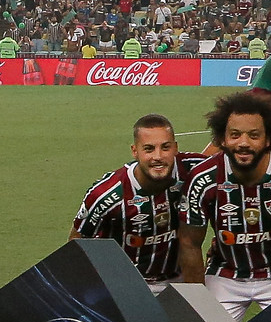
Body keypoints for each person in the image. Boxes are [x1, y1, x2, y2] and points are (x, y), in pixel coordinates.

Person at [179, 92, 271, 320]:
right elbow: (190, 243)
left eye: (254, 135)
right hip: (226, 274)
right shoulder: (203, 178)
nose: (243, 143)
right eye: (235, 135)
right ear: (221, 139)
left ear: (268, 139)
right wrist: (197, 305)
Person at [72, 114, 204, 293]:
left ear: (175, 148)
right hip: (128, 286)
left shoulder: (193, 171)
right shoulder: (106, 195)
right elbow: (77, 244)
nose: (158, 156)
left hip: (180, 280)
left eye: (165, 148)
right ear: (135, 151)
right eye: (149, 149)